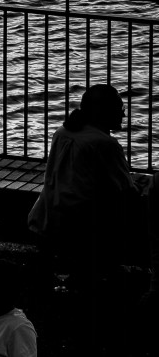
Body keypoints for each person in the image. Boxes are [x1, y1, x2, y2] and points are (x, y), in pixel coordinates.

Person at [28, 83, 158, 291]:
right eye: (119, 109)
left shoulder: (62, 132)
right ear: (103, 112)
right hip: (78, 224)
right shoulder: (104, 143)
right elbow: (126, 190)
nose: (123, 114)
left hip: (47, 213)